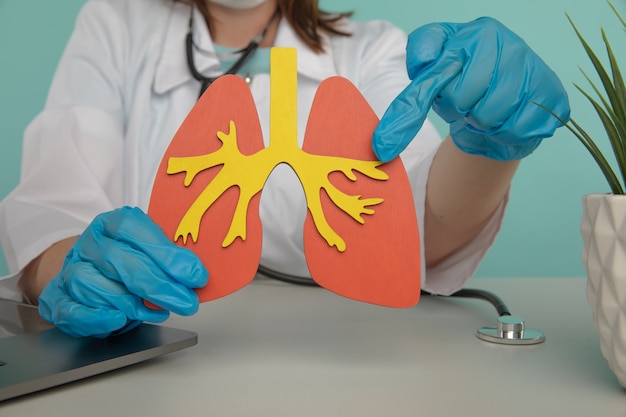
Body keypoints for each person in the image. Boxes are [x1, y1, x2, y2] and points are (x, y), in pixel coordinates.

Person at [0, 0, 570, 337]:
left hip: (341, 354)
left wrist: (483, 147)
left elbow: (413, 225)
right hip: (153, 348)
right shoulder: (117, 23)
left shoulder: (369, 52)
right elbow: (56, 192)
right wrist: (66, 268)